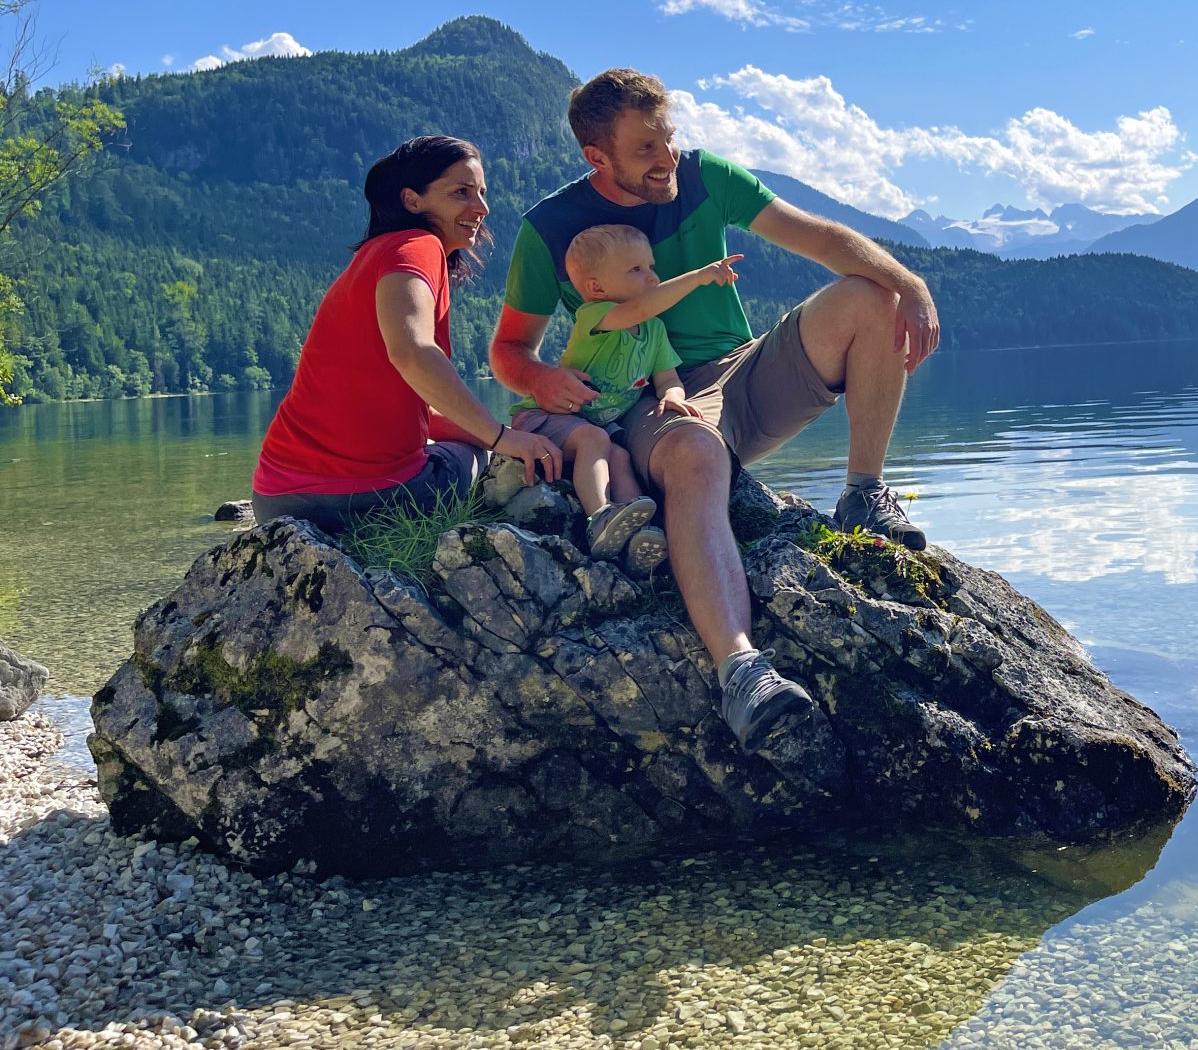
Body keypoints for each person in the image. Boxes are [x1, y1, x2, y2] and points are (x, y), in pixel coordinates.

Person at [490, 68, 942, 751]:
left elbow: (818, 237)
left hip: (744, 371)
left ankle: (864, 493)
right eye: (645, 148)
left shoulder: (707, 178)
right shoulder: (552, 228)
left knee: (870, 296)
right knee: (696, 454)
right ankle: (742, 670)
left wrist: (908, 281)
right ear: (597, 157)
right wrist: (544, 380)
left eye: (668, 139)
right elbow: (511, 350)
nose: (667, 158)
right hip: (650, 395)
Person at [253, 136, 560, 530]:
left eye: (482, 193)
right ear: (413, 200)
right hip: (369, 497)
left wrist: (492, 429)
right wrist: (500, 439)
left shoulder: (376, 254)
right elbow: (413, 352)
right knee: (472, 454)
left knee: (473, 438)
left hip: (276, 500)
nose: (481, 207)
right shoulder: (418, 247)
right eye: (461, 193)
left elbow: (419, 405)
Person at [500, 223, 744, 565]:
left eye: (651, 267)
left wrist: (672, 395)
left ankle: (634, 532)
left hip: (594, 427)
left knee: (622, 458)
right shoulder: (595, 316)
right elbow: (639, 310)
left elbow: (667, 376)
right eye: (636, 269)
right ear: (596, 287)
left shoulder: (654, 331)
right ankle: (599, 517)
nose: (652, 278)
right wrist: (697, 277)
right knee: (595, 441)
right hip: (548, 418)